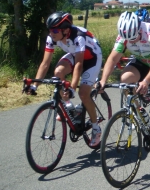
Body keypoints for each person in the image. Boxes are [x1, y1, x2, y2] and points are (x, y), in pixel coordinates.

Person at [98, 11, 150, 157]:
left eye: (134, 38)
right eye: (129, 39)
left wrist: (146, 81)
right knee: (125, 79)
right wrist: (103, 80)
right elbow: (113, 58)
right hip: (143, 61)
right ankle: (140, 110)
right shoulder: (124, 36)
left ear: (139, 28)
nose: (132, 41)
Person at [30, 12, 103, 147]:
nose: (52, 33)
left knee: (83, 94)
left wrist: (72, 88)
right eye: (50, 30)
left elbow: (79, 65)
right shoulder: (52, 38)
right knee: (58, 72)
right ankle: (70, 107)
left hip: (92, 58)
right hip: (76, 55)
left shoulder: (78, 37)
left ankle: (96, 128)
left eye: (55, 30)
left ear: (66, 30)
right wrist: (34, 85)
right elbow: (45, 64)